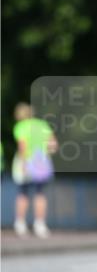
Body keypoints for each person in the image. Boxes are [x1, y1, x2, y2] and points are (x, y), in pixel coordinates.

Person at [12, 102, 57, 238]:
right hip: (41, 161)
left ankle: (20, 225)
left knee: (23, 193)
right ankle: (40, 225)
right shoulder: (42, 125)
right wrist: (44, 155)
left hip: (26, 160)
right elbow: (53, 144)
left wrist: (24, 163)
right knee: (40, 193)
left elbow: (22, 146)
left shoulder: (22, 126)